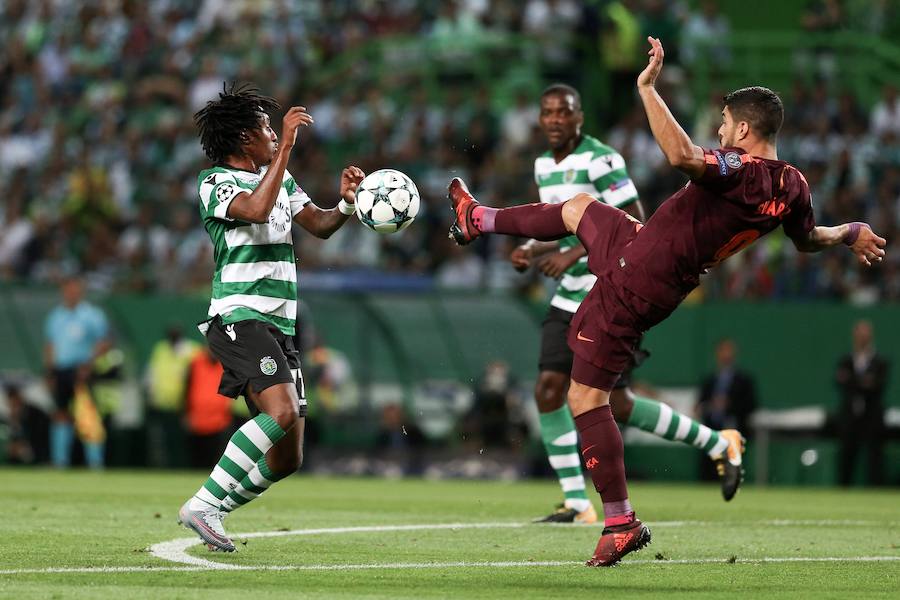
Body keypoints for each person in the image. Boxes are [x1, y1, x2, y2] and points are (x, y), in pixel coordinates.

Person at [446, 37, 886, 566]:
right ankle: (478, 218)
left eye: (724, 121)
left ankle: (619, 520)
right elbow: (808, 238)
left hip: (640, 278)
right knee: (579, 207)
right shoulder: (792, 184)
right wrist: (852, 230)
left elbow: (680, 155)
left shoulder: (739, 170)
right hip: (642, 250)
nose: (720, 129)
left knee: (585, 400)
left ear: (744, 130)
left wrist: (647, 88)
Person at [511, 84, 750, 524]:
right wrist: (534, 249)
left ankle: (719, 443)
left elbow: (634, 223)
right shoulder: (544, 163)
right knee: (548, 389)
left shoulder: (602, 159)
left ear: (579, 115)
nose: (554, 119)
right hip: (568, 297)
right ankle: (576, 502)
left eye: (563, 112)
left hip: (610, 293)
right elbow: (559, 223)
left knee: (617, 405)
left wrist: (568, 254)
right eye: (547, 112)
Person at [178, 83, 365, 552]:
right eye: (264, 127)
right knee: (280, 411)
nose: (270, 133)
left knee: (287, 458)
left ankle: (215, 509)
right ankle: (203, 504)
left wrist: (344, 203)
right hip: (240, 316)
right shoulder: (214, 182)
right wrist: (284, 147)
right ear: (246, 138)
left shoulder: (280, 179)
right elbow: (256, 210)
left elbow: (319, 226)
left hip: (280, 327)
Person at [43, 276, 112, 467]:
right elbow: (50, 345)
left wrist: (88, 364)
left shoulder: (91, 315)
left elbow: (104, 342)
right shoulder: (56, 316)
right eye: (68, 290)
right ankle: (60, 461)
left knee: (87, 414)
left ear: (80, 292)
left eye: (74, 290)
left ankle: (95, 461)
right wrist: (50, 372)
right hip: (61, 370)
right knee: (61, 414)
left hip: (82, 370)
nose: (71, 293)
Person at [834, 320, 889, 486]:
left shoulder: (880, 361)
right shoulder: (845, 360)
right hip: (850, 415)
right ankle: (842, 490)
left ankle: (877, 491)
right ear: (854, 336)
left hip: (872, 416)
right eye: (860, 334)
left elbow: (876, 385)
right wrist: (863, 381)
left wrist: (851, 380)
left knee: (874, 457)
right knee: (846, 455)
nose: (862, 338)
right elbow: (840, 382)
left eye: (866, 334)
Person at [698, 338, 757, 482]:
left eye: (729, 350)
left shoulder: (744, 380)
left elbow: (751, 405)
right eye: (723, 350)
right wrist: (709, 406)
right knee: (710, 471)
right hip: (712, 431)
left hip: (734, 429)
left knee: (731, 470)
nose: (726, 354)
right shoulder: (710, 380)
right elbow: (701, 404)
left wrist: (728, 405)